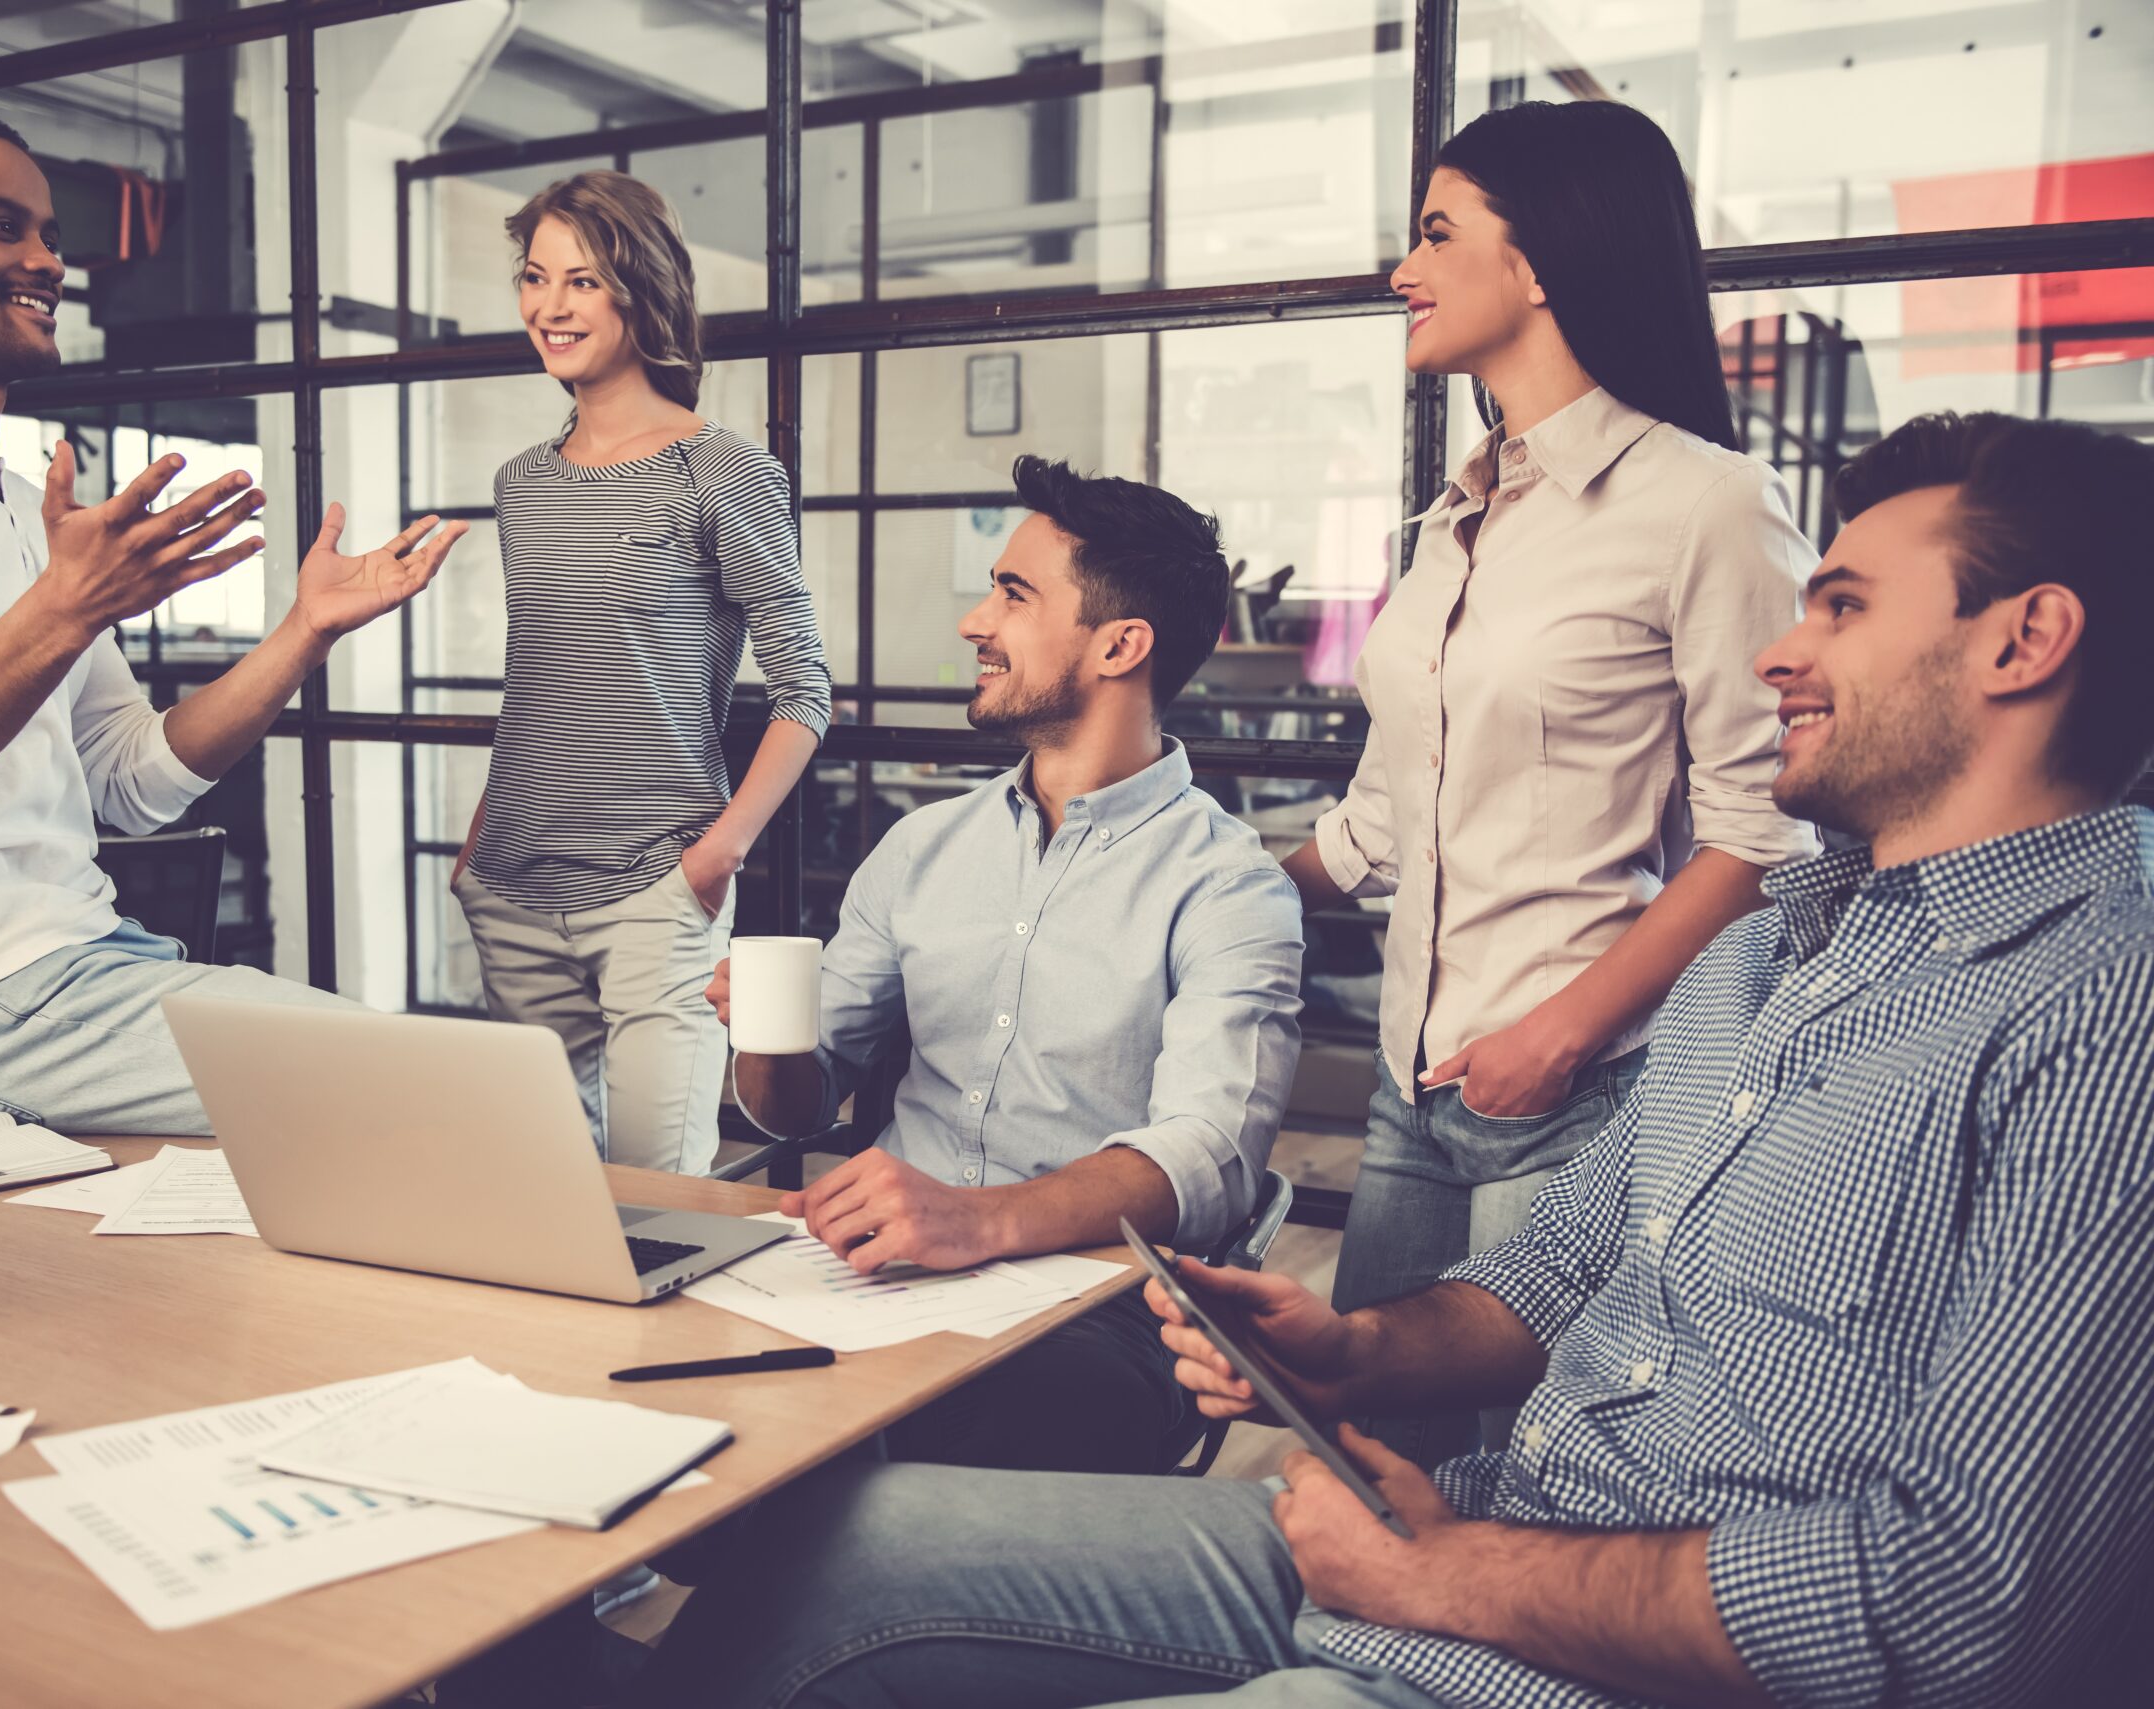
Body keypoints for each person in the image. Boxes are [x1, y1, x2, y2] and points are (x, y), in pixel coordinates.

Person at [618, 410, 2154, 1709]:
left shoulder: (2102, 1010)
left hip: (1567, 1637)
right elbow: (1546, 1281)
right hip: (1466, 1536)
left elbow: (1959, 1597)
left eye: (1839, 606)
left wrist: (1457, 1571)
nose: (1776, 654)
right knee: (837, 1545)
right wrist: (1345, 1353)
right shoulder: (1763, 952)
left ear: (2026, 639)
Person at [0, 103, 461, 1133]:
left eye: (51, 233)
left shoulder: (16, 502)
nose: (49, 259)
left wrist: (301, 633)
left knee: (442, 1101)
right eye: (3, 226)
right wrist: (63, 609)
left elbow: (131, 782)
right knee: (443, 1092)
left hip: (86, 963)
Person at [1285, 101, 1820, 1466]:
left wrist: (1565, 1034)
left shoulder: (1705, 504)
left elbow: (1770, 838)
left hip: (1575, 1090)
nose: (1403, 270)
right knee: (1368, 1461)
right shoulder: (1461, 517)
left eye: (1436, 232)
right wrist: (1173, 880)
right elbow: (1381, 822)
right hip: (1413, 1081)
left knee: (1513, 1482)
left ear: (1538, 264)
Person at [714, 455, 1305, 1475]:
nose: (973, 622)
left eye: (1013, 593)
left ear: (1121, 643)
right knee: (670, 1380)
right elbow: (798, 1106)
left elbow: (1209, 1155)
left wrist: (975, 1220)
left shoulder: (1230, 886)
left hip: (1092, 1304)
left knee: (919, 1446)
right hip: (872, 1273)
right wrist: (768, 1038)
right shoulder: (921, 847)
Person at [448, 171, 831, 1175]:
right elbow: (544, 675)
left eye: (582, 279)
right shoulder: (521, 484)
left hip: (654, 893)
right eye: (535, 277)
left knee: (659, 1202)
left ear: (640, 289)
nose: (550, 305)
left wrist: (716, 855)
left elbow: (804, 692)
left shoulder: (725, 472)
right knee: (542, 1199)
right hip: (513, 889)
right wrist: (480, 841)